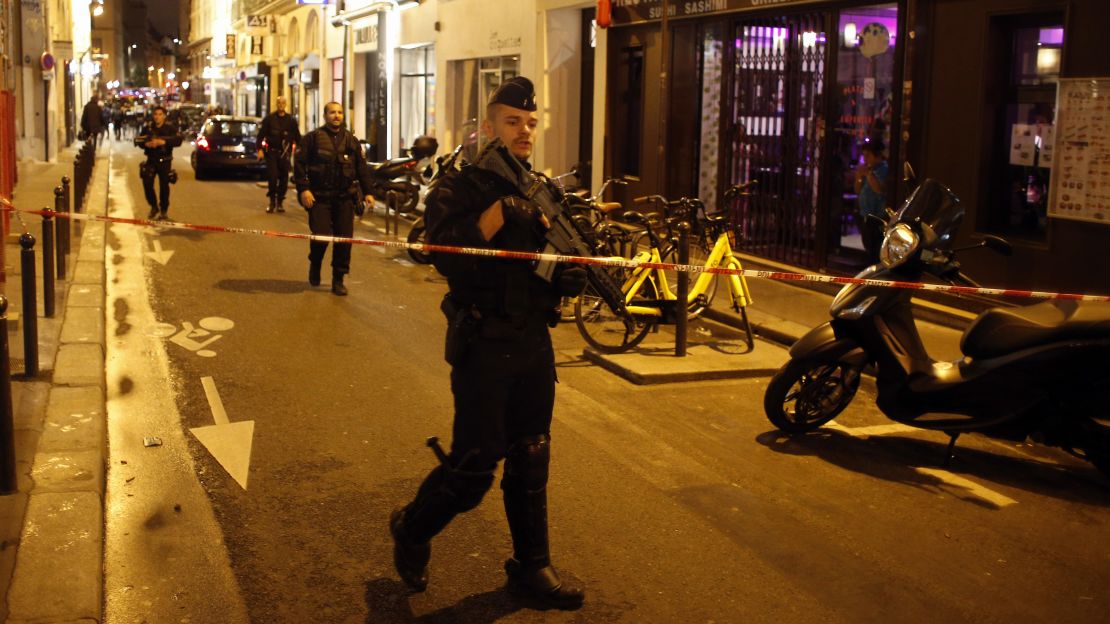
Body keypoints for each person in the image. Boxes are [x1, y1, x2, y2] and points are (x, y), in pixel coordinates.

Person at [389, 76, 588, 610]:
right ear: (488, 125)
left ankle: (532, 566)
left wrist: (563, 278)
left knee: (532, 455)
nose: (524, 131)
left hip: (532, 343)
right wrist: (499, 215)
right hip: (484, 344)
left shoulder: (539, 185)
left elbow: (538, 264)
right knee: (475, 468)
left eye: (530, 122)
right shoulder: (461, 186)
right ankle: (411, 527)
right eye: (512, 121)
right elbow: (442, 254)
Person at [292, 101, 374, 296]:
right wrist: (304, 189)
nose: (336, 116)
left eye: (339, 112)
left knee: (344, 240)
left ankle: (338, 279)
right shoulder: (312, 139)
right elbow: (299, 166)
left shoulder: (351, 141)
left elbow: (361, 169)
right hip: (319, 198)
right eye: (332, 112)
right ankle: (316, 263)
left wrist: (368, 192)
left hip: (345, 198)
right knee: (321, 235)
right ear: (324, 115)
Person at [135, 106, 183, 220]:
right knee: (147, 184)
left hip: (165, 161)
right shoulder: (148, 127)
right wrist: (146, 144)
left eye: (160, 114)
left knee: (164, 187)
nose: (157, 117)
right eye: (155, 114)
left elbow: (178, 140)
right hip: (151, 160)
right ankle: (153, 206)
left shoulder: (170, 128)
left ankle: (163, 210)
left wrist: (163, 142)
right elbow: (139, 140)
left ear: (164, 116)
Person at [257, 97, 301, 213]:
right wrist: (260, 150)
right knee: (272, 177)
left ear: (286, 104)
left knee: (284, 178)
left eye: (283, 103)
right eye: (279, 103)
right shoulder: (269, 119)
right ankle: (272, 202)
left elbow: (297, 137)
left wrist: (301, 151)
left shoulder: (291, 120)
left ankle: (280, 202)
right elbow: (260, 136)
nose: (281, 105)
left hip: (285, 154)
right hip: (271, 152)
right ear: (276, 104)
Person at [854, 140, 889, 261]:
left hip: (877, 215)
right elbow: (858, 190)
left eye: (868, 155)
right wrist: (858, 177)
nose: (865, 158)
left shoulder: (884, 169)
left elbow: (879, 189)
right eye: (864, 155)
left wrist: (868, 174)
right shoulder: (868, 170)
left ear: (877, 156)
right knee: (867, 241)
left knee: (875, 245)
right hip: (865, 212)